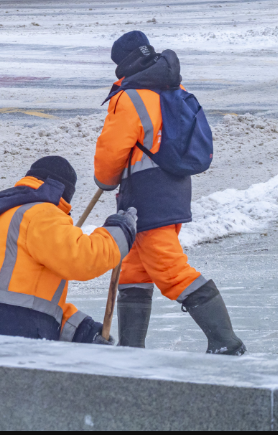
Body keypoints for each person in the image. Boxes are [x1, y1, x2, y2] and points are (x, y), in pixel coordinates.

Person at [94, 31, 246, 356]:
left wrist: (105, 180)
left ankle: (225, 341)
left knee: (169, 269)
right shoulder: (172, 86)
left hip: (147, 197)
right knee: (135, 268)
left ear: (124, 64)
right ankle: (131, 348)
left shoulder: (131, 96)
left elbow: (111, 149)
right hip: (173, 188)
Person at [0, 156, 137, 349]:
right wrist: (120, 231)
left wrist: (84, 331)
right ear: (65, 193)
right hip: (6, 334)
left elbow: (30, 298)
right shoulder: (41, 213)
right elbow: (84, 258)